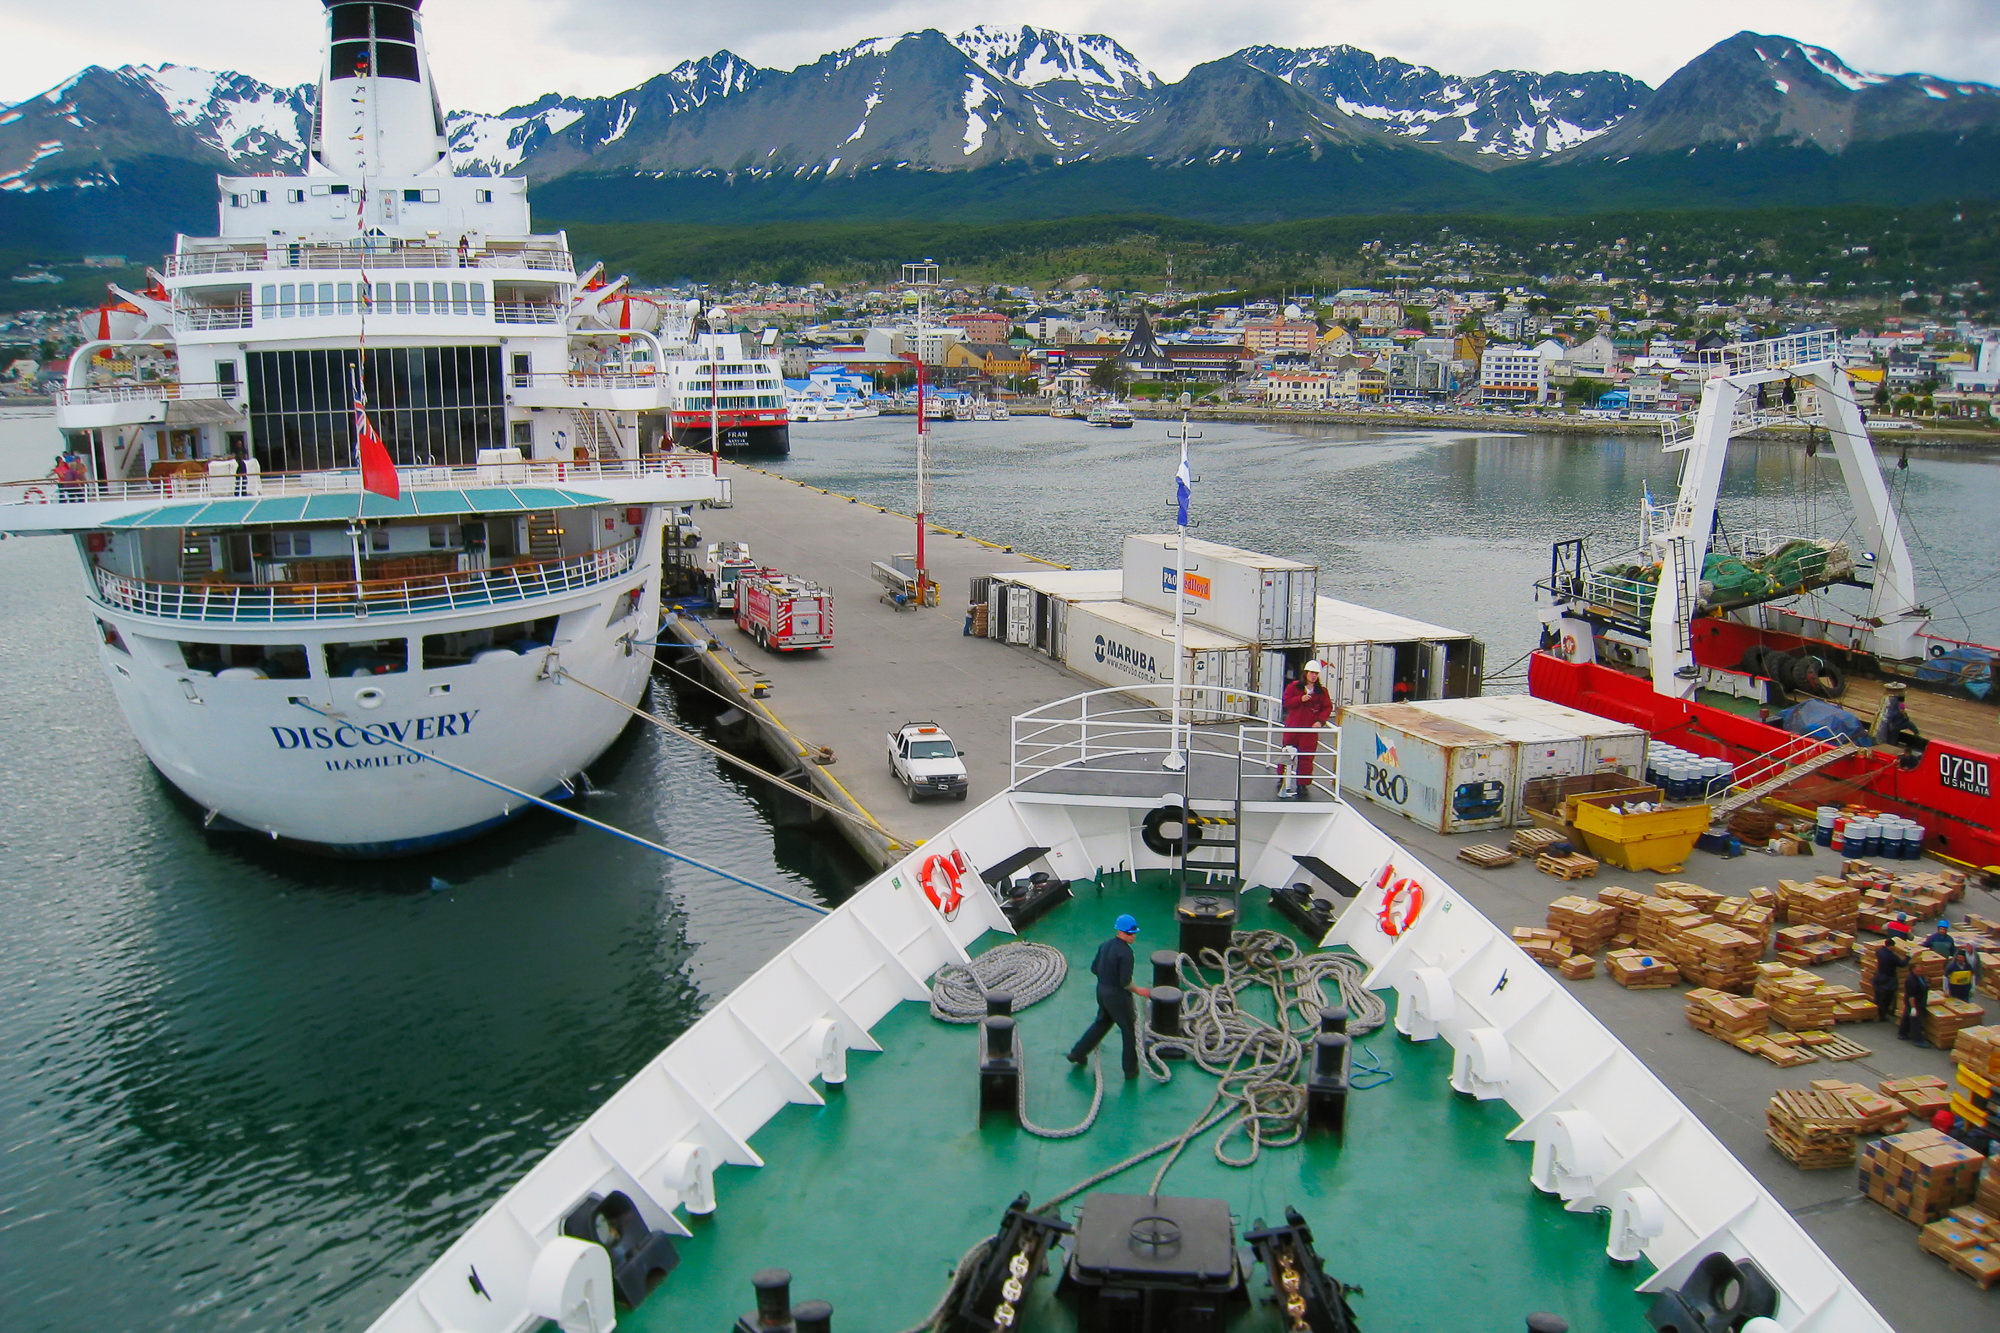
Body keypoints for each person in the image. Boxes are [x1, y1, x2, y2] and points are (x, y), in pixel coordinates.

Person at [1068, 914, 1150, 1080]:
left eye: (1134, 933)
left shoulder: (1105, 945)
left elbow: (1094, 968)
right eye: (1130, 933)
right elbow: (1125, 982)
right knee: (1128, 1032)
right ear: (1121, 932)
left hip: (1102, 993)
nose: (1133, 936)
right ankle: (1130, 1070)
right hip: (1118, 998)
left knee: (1102, 1023)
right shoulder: (1126, 953)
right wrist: (1140, 991)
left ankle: (1077, 1053)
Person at [1280, 659, 1334, 799]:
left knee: (1306, 758)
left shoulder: (1321, 692)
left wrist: (1320, 721)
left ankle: (1302, 784)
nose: (1313, 676)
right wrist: (1300, 699)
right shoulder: (1294, 687)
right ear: (1306, 673)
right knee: (1286, 754)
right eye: (1311, 673)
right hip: (1293, 727)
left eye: (1316, 673)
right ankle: (1282, 778)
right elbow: (1286, 702)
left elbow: (1327, 707)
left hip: (1309, 730)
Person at [1873, 682, 1924, 766]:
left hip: (1892, 719)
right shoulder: (1899, 698)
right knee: (1906, 726)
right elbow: (1901, 708)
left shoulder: (1888, 697)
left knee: (1893, 734)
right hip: (1895, 720)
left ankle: (1890, 747)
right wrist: (1904, 714)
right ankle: (1916, 734)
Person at [1871, 936, 1903, 1024]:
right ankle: (1882, 1015)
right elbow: (1902, 964)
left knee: (1878, 995)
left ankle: (1874, 1011)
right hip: (1888, 979)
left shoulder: (1880, 952)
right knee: (1886, 998)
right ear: (1891, 946)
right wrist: (1908, 957)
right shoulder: (1892, 956)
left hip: (1879, 976)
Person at [1898, 963, 1931, 1046]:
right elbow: (1911, 996)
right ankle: (1918, 1040)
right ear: (1913, 970)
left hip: (1919, 1000)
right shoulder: (1911, 980)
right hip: (1914, 1002)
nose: (1920, 972)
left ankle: (1902, 1033)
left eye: (1921, 971)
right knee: (1916, 1021)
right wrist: (1913, 1007)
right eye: (1918, 971)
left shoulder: (1920, 977)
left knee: (1907, 1016)